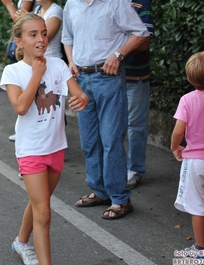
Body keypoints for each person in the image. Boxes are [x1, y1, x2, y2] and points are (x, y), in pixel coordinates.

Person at [0, 13, 88, 265]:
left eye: (43, 33)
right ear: (19, 41)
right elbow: (20, 106)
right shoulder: (13, 71)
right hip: (30, 150)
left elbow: (80, 94)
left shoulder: (58, 65)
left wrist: (82, 99)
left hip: (56, 147)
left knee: (40, 203)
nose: (41, 39)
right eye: (33, 34)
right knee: (44, 212)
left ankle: (21, 242)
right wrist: (37, 74)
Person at [62, 0, 150, 220]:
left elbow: (141, 33)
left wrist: (119, 54)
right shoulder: (71, 3)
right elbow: (67, 38)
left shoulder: (116, 2)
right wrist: (71, 61)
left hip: (107, 77)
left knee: (111, 140)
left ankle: (120, 199)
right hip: (80, 78)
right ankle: (100, 192)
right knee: (89, 140)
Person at [170, 50, 204, 256]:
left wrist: (175, 147)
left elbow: (179, 131)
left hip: (196, 160)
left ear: (190, 78)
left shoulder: (187, 100)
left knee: (198, 206)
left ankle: (200, 249)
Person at [125, 0, 154, 189]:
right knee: (111, 126)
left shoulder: (141, 3)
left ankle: (135, 170)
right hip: (110, 75)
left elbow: (144, 41)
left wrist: (115, 49)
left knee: (135, 126)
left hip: (136, 75)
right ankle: (115, 169)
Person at [1, 0, 40, 142]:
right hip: (29, 54)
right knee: (27, 95)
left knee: (39, 96)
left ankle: (41, 136)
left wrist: (7, 5)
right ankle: (25, 131)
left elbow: (21, 21)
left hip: (35, 55)